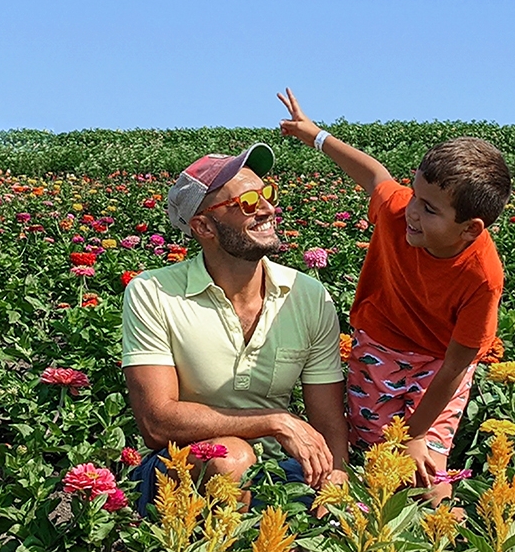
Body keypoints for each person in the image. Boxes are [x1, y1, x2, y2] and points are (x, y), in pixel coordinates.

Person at [277, 89, 510, 501]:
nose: (414, 212)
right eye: (416, 196)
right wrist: (313, 134)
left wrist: (417, 434)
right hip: (380, 347)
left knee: (425, 473)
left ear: (471, 229)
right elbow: (374, 176)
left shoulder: (483, 277)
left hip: (439, 365)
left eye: (431, 209)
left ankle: (436, 545)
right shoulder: (399, 209)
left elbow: (456, 366)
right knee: (375, 458)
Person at [122, 142, 349, 511]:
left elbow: (328, 418)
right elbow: (157, 423)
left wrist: (337, 478)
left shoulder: (307, 295)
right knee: (232, 459)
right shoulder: (154, 292)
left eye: (267, 194)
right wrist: (274, 421)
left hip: (282, 468)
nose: (268, 208)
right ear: (204, 226)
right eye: (247, 203)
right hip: (182, 468)